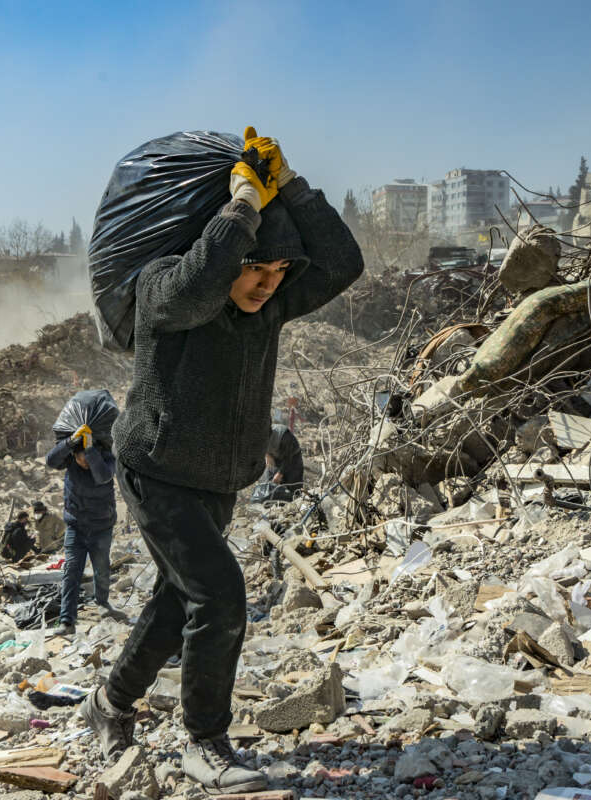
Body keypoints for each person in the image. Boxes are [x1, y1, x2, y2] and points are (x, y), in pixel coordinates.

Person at [79, 128, 362, 793]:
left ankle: (109, 703)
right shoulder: (166, 291)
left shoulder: (267, 306)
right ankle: (204, 741)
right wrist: (240, 206)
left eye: (275, 275)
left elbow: (342, 261)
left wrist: (290, 187)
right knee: (221, 594)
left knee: (180, 603)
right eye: (253, 272)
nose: (265, 287)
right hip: (156, 469)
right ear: (224, 256)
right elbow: (198, 284)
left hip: (217, 476)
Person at [44, 422, 125, 636]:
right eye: (80, 460)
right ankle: (67, 621)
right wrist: (70, 442)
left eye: (87, 459)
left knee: (102, 568)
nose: (84, 464)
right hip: (76, 525)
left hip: (101, 526)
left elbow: (103, 476)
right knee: (71, 570)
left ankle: (103, 603)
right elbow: (51, 461)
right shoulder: (70, 458)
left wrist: (90, 452)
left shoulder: (106, 458)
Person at [255, 423, 304, 503]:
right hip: (276, 457)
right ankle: (271, 506)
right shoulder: (259, 436)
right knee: (269, 482)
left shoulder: (284, 437)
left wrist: (280, 473)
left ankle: (295, 507)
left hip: (292, 458)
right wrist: (266, 454)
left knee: (294, 487)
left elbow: (288, 458)